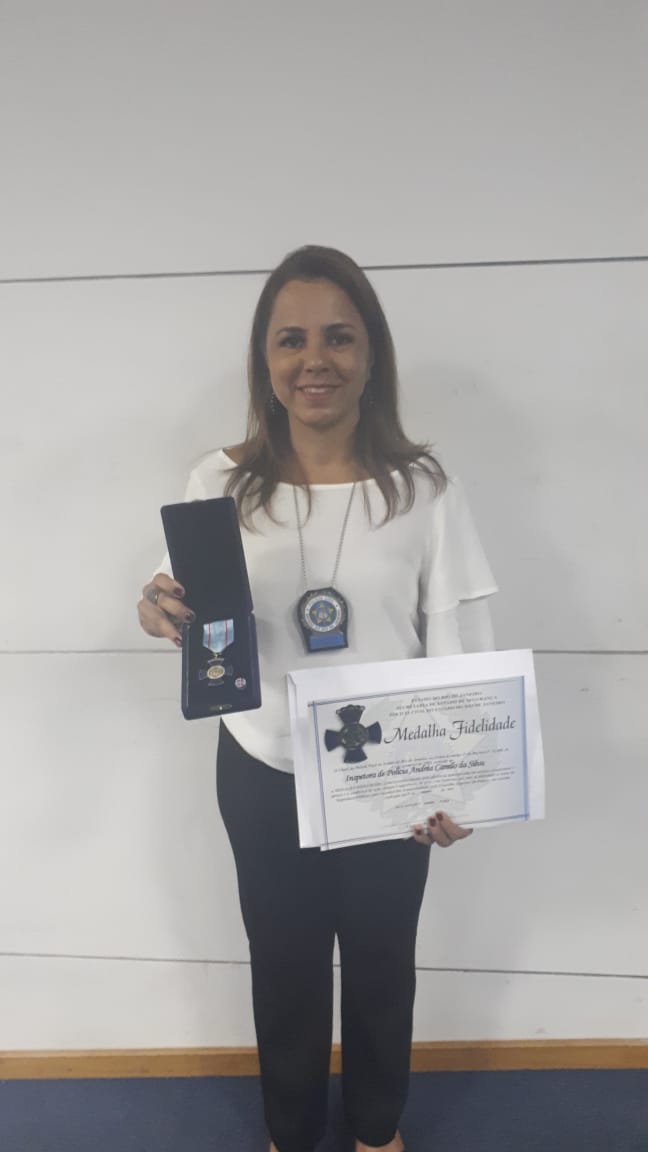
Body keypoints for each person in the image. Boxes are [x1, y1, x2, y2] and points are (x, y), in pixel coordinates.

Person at [137, 245, 497, 1152]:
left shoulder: (424, 489)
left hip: (389, 773)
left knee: (382, 961)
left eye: (339, 337)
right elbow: (187, 599)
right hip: (261, 764)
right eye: (290, 340)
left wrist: (463, 778)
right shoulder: (218, 482)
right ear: (265, 360)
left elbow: (456, 634)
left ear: (372, 354)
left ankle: (376, 1130)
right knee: (285, 965)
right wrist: (158, 606)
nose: (314, 360)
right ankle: (290, 1134)